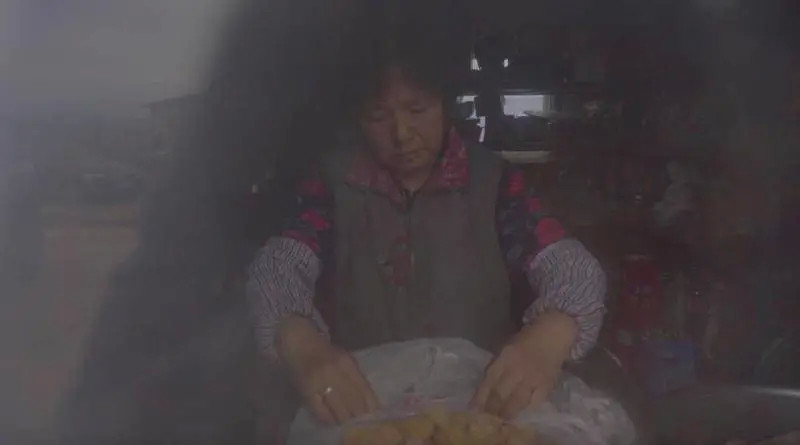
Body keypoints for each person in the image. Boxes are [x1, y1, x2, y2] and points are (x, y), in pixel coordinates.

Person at [245, 2, 606, 431]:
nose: (401, 135)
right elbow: (277, 266)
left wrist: (551, 335)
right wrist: (300, 342)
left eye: (417, 110)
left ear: (446, 103)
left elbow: (574, 269)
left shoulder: (495, 185)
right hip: (365, 416)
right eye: (378, 116)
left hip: (479, 414)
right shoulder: (332, 186)